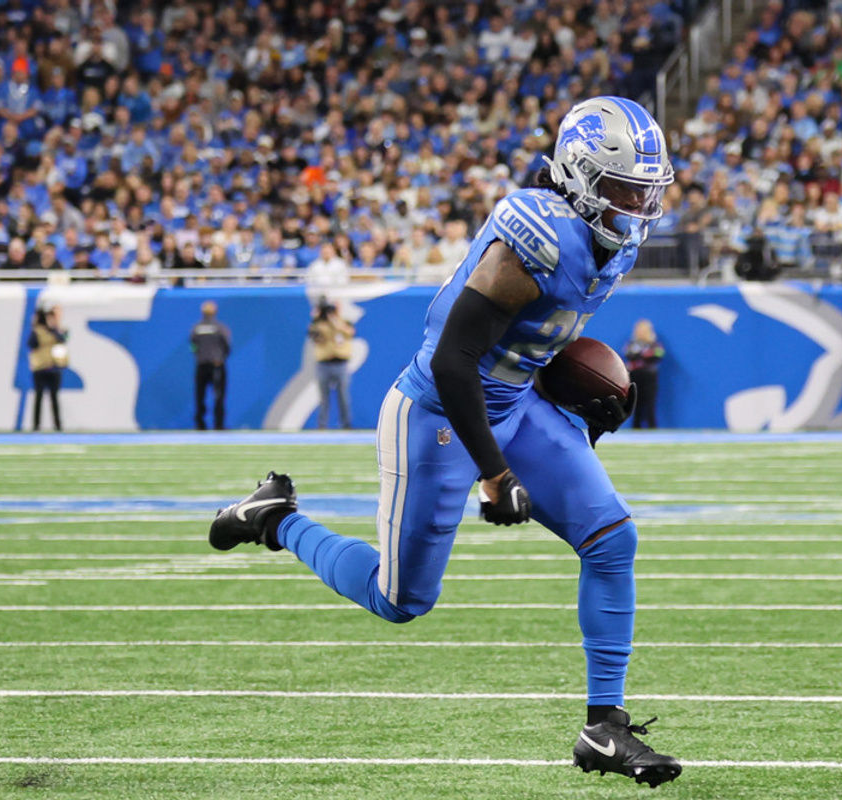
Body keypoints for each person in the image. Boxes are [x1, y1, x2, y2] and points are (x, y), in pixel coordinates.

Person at [208, 97, 681, 787]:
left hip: (515, 401)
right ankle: (277, 520)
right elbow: (452, 362)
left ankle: (603, 727)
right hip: (438, 410)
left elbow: (530, 336)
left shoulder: (617, 237)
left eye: (647, 188)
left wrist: (573, 384)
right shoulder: (536, 235)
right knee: (399, 599)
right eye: (623, 188)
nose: (638, 203)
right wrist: (495, 475)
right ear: (580, 178)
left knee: (612, 538)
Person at [308, 298, 354, 430]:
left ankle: (346, 425)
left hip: (341, 363)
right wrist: (317, 318)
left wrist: (334, 320)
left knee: (344, 397)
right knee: (323, 398)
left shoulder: (343, 322)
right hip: (324, 364)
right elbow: (315, 337)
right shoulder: (318, 324)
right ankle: (322, 426)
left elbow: (349, 332)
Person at [190, 300, 230, 430]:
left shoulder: (196, 328)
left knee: (200, 395)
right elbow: (227, 346)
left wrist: (199, 355)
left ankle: (200, 424)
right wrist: (220, 357)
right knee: (218, 395)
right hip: (216, 365)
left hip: (201, 364)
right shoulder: (220, 328)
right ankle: (219, 424)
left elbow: (193, 346)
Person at [27, 304, 68, 431]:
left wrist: (55, 327)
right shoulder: (37, 331)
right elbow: (31, 344)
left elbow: (64, 339)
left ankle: (58, 425)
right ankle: (36, 425)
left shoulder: (57, 330)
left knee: (54, 398)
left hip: (54, 367)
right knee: (39, 397)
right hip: (40, 368)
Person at [623, 319, 664, 428]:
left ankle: (652, 427)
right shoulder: (632, 343)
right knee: (635, 403)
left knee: (650, 402)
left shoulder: (654, 344)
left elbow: (658, 355)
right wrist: (643, 355)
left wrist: (642, 356)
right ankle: (636, 427)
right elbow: (628, 354)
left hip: (649, 375)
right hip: (635, 375)